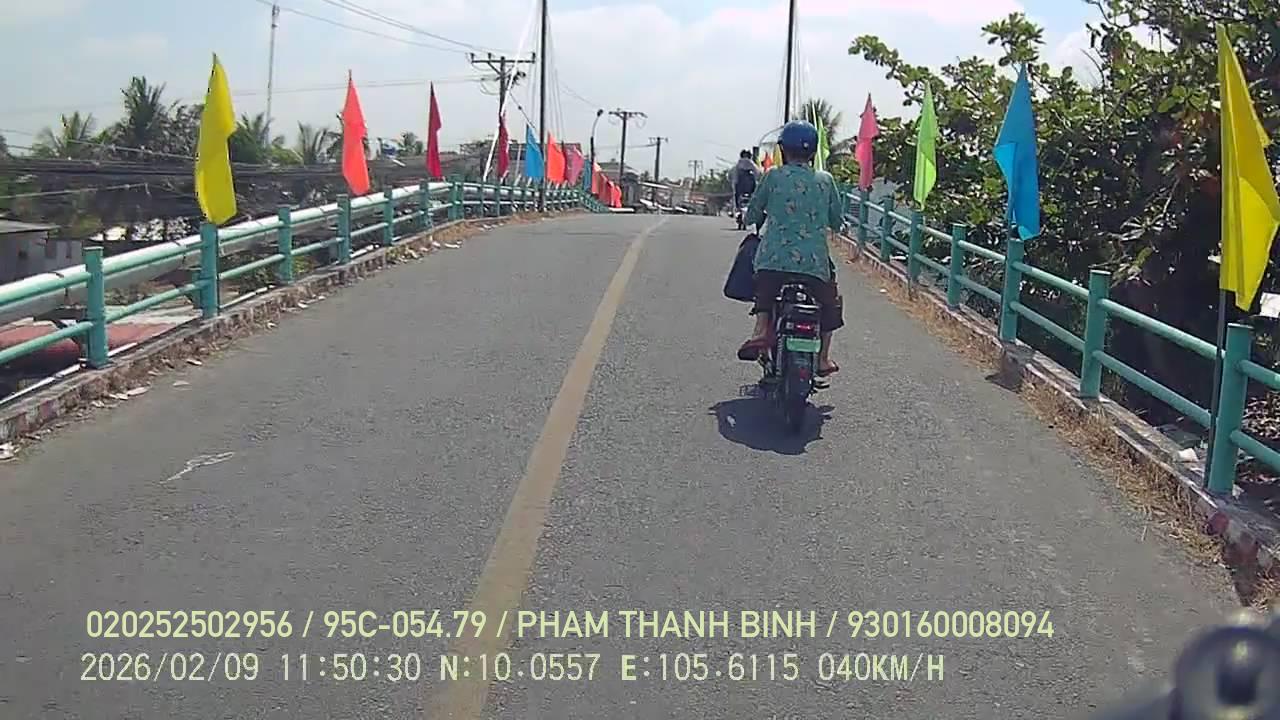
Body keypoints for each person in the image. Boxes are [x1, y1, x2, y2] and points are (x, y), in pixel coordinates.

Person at [737, 121, 844, 376]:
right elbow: (836, 221)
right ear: (813, 151)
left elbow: (753, 213)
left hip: (773, 260)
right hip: (814, 264)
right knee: (829, 304)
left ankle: (761, 331)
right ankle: (823, 358)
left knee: (764, 292)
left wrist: (751, 217)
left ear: (783, 149)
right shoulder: (825, 180)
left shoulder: (772, 176)